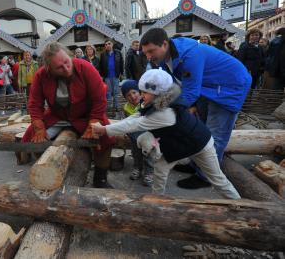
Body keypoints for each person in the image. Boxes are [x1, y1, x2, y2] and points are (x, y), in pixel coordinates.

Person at [92, 68, 240, 199]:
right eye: (141, 91)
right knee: (160, 170)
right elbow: (138, 116)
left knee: (218, 180)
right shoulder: (158, 101)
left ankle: (240, 205)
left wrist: (104, 130)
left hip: (200, 144)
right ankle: (157, 201)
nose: (141, 95)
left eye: (145, 92)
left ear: (157, 92)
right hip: (179, 145)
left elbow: (134, 124)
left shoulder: (163, 113)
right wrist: (109, 126)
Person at [140, 28, 251, 189]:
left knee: (216, 135)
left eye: (151, 51)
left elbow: (190, 92)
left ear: (164, 44)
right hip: (207, 87)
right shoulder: (164, 59)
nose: (148, 57)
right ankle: (195, 163)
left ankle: (205, 176)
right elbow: (170, 86)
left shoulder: (190, 56)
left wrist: (162, 109)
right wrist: (155, 104)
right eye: (145, 53)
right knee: (198, 128)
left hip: (230, 87)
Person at [21, 42, 115, 188]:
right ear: (49, 68)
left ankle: (100, 178)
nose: (66, 68)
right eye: (59, 67)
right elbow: (35, 103)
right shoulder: (41, 75)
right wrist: (39, 127)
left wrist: (94, 122)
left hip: (86, 115)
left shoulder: (85, 67)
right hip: (57, 116)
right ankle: (47, 172)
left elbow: (99, 97)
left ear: (69, 56)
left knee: (106, 137)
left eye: (66, 62)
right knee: (32, 138)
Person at [121, 80, 153, 186]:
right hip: (134, 137)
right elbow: (126, 122)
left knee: (148, 155)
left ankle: (149, 173)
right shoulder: (126, 108)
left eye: (134, 92)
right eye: (128, 95)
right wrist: (126, 132)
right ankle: (137, 168)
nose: (132, 96)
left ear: (139, 92)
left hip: (147, 137)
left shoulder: (146, 104)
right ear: (125, 98)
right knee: (136, 154)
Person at [99, 39, 124, 111]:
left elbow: (121, 63)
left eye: (109, 44)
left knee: (116, 92)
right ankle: (109, 107)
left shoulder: (118, 53)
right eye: (106, 44)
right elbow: (101, 66)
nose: (107, 45)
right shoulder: (103, 54)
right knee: (108, 92)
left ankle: (117, 106)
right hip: (107, 76)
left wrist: (121, 73)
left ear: (112, 44)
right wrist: (101, 75)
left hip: (116, 75)